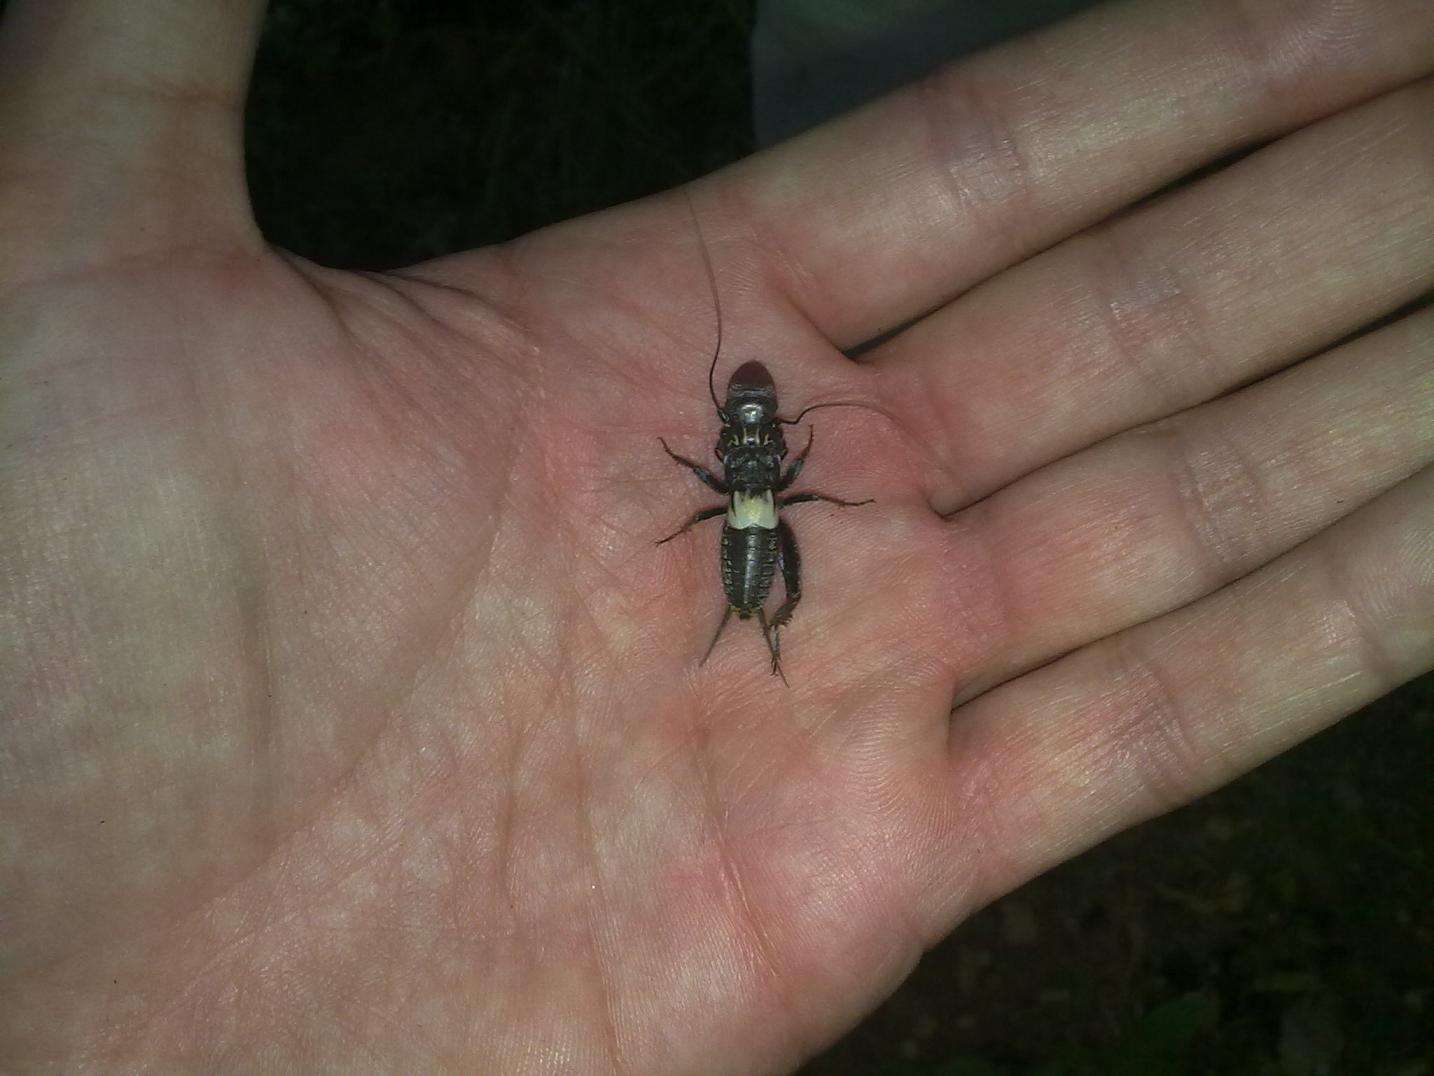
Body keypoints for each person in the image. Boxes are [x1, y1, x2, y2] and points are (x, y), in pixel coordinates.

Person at [1, 0, 1430, 1071]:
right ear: (745, 435)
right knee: (752, 575)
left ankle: (753, 620)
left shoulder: (756, 464)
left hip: (752, 527)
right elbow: (759, 461)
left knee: (752, 575)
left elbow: (764, 463)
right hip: (754, 527)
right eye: (745, 417)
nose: (751, 420)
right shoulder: (756, 462)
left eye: (752, 418)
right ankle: (749, 621)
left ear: (753, 435)